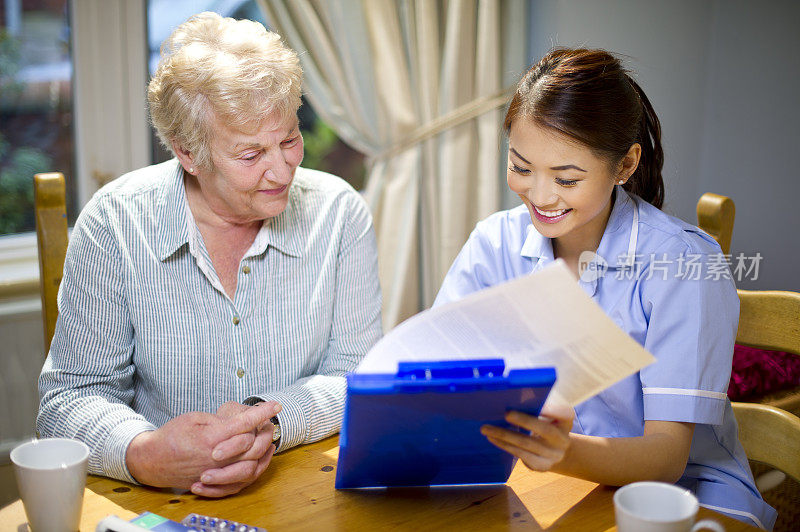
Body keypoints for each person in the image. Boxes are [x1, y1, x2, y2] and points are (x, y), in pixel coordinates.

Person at [37, 12, 381, 498]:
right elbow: (67, 401)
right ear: (188, 154)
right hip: (156, 503)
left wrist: (268, 424)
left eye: (288, 139)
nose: (282, 170)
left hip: (302, 491)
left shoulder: (339, 213)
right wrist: (143, 451)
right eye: (250, 155)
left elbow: (358, 378)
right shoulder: (114, 224)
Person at [434, 48, 776, 530]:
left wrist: (562, 451)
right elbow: (441, 367)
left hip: (686, 499)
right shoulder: (495, 244)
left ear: (625, 164)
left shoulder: (684, 263)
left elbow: (666, 459)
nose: (541, 195)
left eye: (567, 178)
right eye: (521, 167)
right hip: (554, 484)